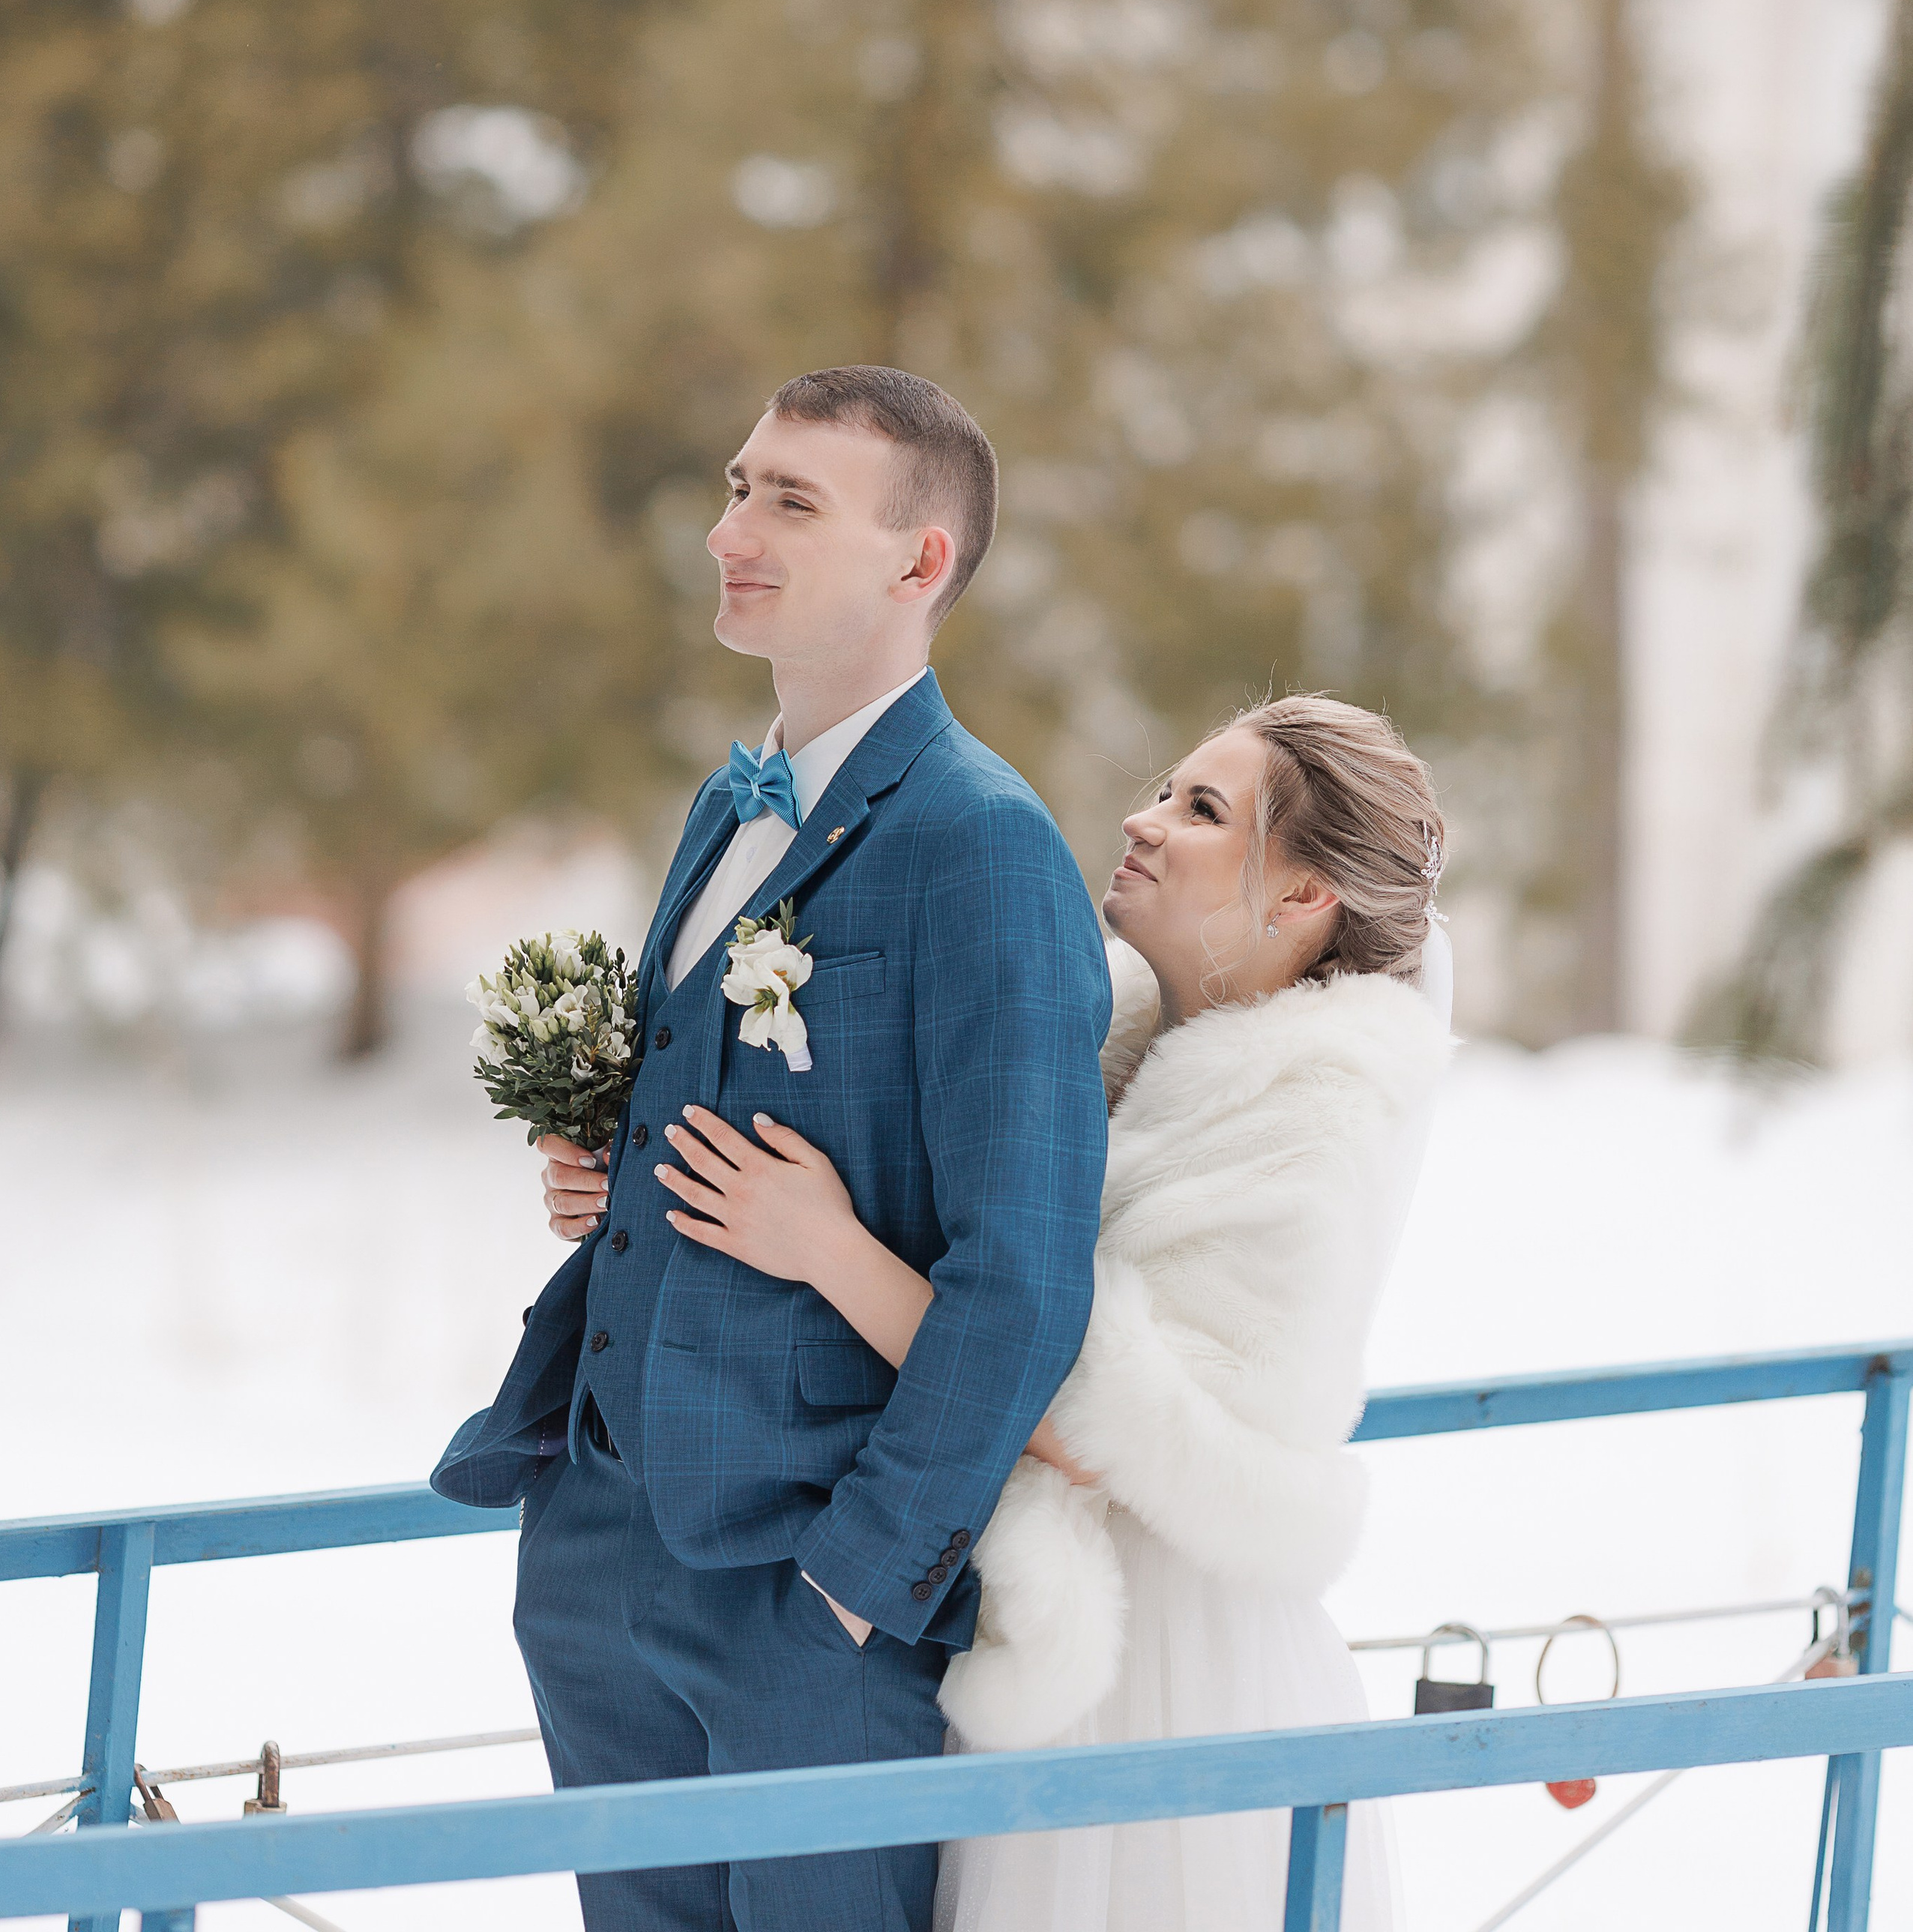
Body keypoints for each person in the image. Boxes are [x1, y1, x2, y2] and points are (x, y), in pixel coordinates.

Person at [432, 367, 1112, 1932]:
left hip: (810, 1586)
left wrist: (857, 1593)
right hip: (602, 1560)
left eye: (790, 502)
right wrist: (618, 1187)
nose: (730, 529)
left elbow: (1020, 1279)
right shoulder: (721, 807)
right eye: (739, 487)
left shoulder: (983, 844)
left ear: (916, 561)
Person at [657, 693, 1451, 1932]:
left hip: (1165, 1664)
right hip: (1044, 1624)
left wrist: (827, 1248)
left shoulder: (1317, 1116)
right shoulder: (1114, 1045)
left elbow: (1096, 1419)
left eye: (1200, 811)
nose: (1140, 821)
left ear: (1305, 896)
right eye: (1163, 788)